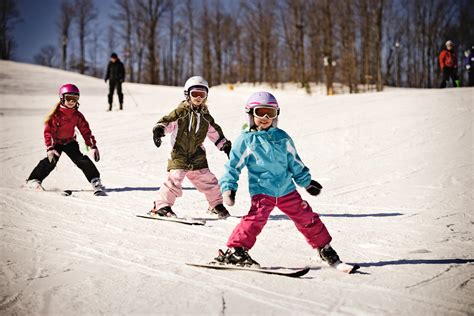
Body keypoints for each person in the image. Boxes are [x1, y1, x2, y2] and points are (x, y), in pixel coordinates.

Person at [214, 91, 342, 268]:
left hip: (287, 190)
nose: (265, 117)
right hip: (262, 191)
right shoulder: (246, 141)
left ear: (276, 115)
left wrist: (306, 182)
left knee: (306, 217)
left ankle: (324, 247)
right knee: (255, 219)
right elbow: (233, 166)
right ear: (251, 114)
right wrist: (229, 187)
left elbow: (294, 162)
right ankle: (236, 251)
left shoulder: (282, 138)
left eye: (270, 113)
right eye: (260, 112)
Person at [149, 76, 232, 219]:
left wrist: (225, 146)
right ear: (187, 94)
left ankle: (215, 204)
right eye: (195, 94)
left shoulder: (206, 116)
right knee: (174, 178)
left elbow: (214, 132)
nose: (198, 98)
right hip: (179, 152)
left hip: (196, 153)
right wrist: (159, 130)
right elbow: (167, 121)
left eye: (202, 94)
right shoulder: (181, 112)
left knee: (208, 180)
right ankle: (161, 206)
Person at [26, 84, 105, 195]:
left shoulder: (77, 115)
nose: (72, 101)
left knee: (81, 160)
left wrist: (92, 145)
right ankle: (33, 180)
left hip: (70, 142)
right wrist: (50, 148)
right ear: (62, 98)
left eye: (75, 98)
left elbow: (86, 131)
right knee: (51, 161)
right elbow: (49, 132)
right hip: (56, 143)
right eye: (69, 98)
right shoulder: (56, 115)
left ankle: (95, 180)